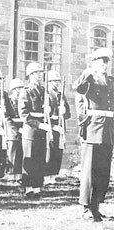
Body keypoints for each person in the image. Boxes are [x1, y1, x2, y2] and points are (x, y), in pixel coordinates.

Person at [73, 48, 114, 222]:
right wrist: (86, 72)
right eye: (100, 62)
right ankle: (86, 208)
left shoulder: (111, 81)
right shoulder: (88, 80)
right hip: (92, 129)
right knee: (89, 170)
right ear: (94, 63)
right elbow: (76, 87)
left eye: (106, 62)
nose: (104, 65)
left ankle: (96, 205)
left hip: (108, 130)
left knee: (103, 171)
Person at [18, 62, 49, 198]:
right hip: (31, 129)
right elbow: (24, 113)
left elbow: (48, 109)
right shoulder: (26, 91)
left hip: (41, 130)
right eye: (36, 73)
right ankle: (28, 187)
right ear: (30, 75)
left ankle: (37, 186)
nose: (39, 75)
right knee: (29, 159)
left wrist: (49, 109)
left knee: (39, 158)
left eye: (40, 73)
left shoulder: (43, 91)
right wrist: (38, 124)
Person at [43, 70, 70, 185]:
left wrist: (64, 111)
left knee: (57, 153)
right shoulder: (45, 95)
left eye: (58, 81)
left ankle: (53, 175)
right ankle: (46, 176)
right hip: (49, 126)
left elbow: (68, 114)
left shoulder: (61, 95)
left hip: (60, 127)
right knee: (48, 152)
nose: (56, 83)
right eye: (54, 81)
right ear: (49, 82)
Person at [5, 78, 25, 183]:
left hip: (22, 129)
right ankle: (10, 175)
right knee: (12, 153)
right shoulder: (9, 101)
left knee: (20, 152)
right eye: (17, 88)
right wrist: (16, 129)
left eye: (21, 88)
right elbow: (8, 117)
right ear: (13, 89)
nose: (20, 90)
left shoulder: (22, 100)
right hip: (12, 130)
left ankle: (18, 175)